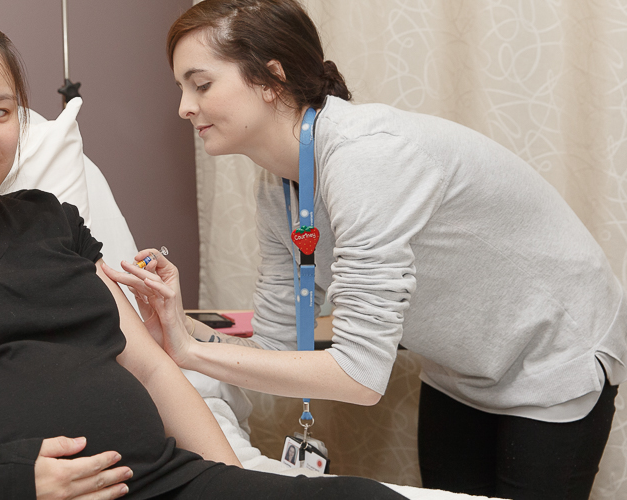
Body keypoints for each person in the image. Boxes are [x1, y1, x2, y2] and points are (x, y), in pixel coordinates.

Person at [0, 11, 404, 500]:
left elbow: (151, 367)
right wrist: (14, 486)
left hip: (161, 481)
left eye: (2, 112)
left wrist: (228, 483)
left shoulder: (50, 222)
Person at [102, 1, 627, 499]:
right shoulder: (278, 188)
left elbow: (359, 377)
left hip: (554, 354)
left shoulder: (366, 157)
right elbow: (278, 350)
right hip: (462, 366)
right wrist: (175, 324)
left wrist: (192, 354)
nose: (183, 107)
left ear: (271, 78)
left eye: (201, 84)